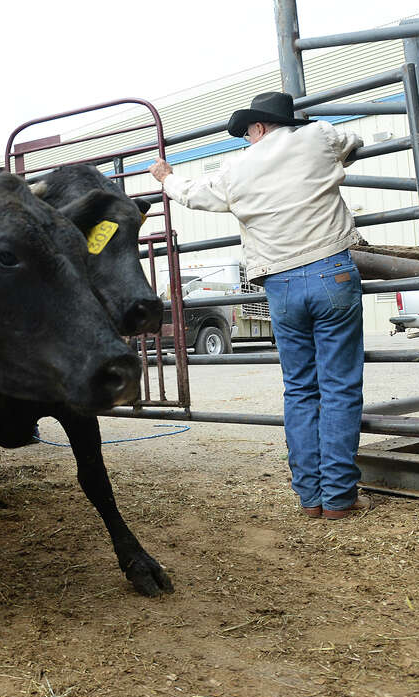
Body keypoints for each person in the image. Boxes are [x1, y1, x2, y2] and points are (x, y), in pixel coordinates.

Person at [149, 92, 373, 521]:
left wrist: (166, 177)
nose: (246, 140)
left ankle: (310, 497)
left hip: (281, 282)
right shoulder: (318, 137)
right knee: (340, 386)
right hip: (331, 270)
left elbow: (196, 195)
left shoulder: (236, 169)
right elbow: (352, 141)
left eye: (247, 133)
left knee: (301, 388)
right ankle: (341, 497)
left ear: (259, 127)